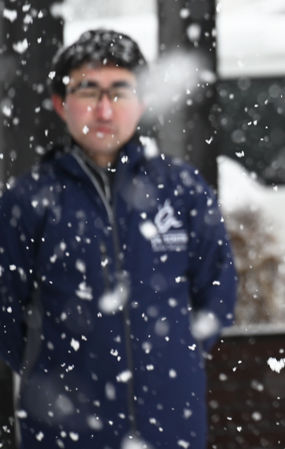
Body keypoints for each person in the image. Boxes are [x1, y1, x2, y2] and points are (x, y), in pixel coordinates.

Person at [0, 29, 237, 449]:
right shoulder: (28, 201)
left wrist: (171, 355)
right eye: (88, 91)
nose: (104, 109)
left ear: (142, 101)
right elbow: (6, 312)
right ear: (60, 103)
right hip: (64, 432)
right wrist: (57, 373)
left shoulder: (181, 190)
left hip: (169, 424)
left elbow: (217, 288)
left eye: (120, 91)